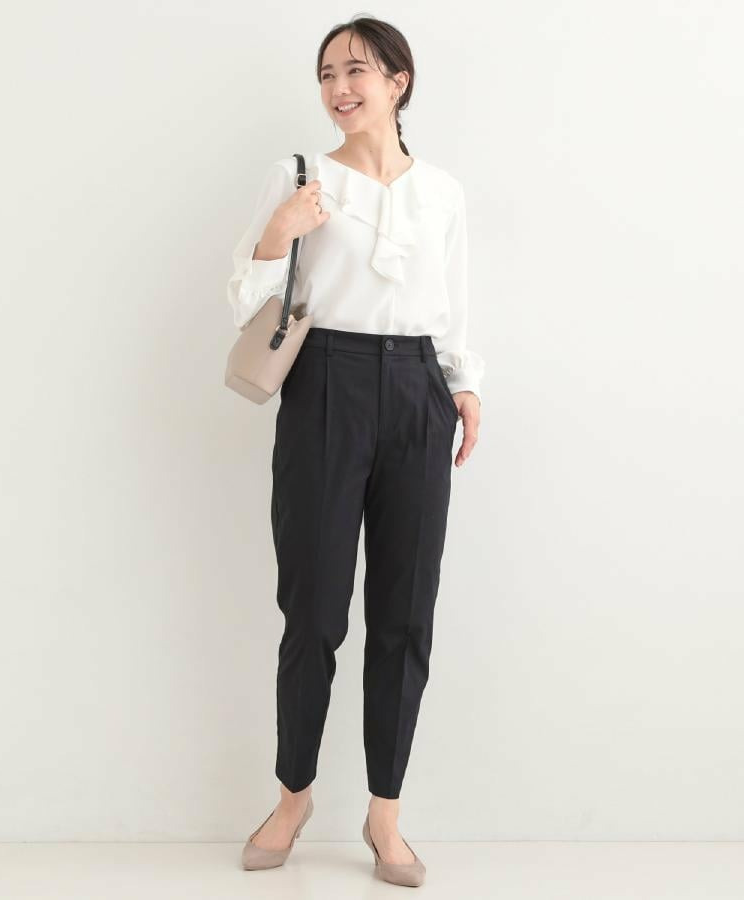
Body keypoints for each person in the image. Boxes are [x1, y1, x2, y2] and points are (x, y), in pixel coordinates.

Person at [227, 16, 484, 887]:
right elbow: (245, 299)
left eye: (358, 71)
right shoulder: (300, 176)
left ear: (398, 81)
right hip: (324, 385)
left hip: (419, 387)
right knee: (314, 609)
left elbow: (452, 304)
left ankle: (385, 815)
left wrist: (464, 383)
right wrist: (279, 230)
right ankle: (292, 797)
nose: (340, 88)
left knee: (406, 613)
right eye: (328, 74)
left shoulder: (441, 193)